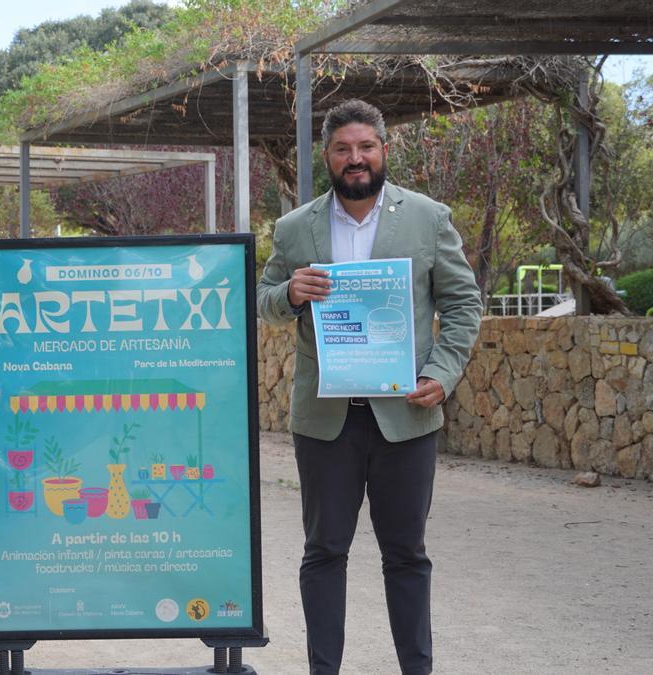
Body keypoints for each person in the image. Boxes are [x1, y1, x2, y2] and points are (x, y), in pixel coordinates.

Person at [257, 99, 482, 675]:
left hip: (405, 416)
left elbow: (463, 304)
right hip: (325, 420)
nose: (355, 158)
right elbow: (262, 300)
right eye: (342, 149)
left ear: (384, 149)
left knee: (406, 555)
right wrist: (290, 294)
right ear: (326, 156)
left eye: (365, 147)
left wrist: (442, 373)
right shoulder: (294, 227)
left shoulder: (428, 217)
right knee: (324, 552)